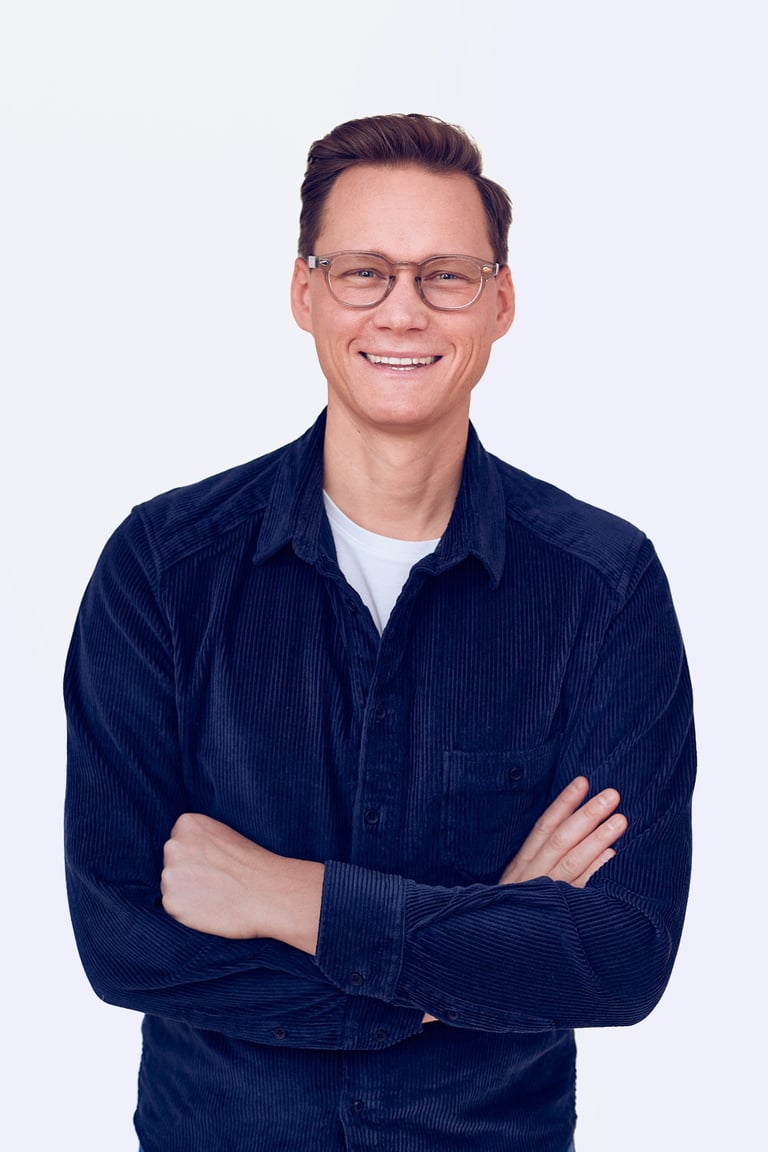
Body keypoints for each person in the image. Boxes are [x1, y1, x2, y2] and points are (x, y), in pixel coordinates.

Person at [64, 113, 695, 1152]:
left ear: (501, 303)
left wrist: (287, 897)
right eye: (364, 271)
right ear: (305, 293)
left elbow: (621, 954)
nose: (403, 309)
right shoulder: (162, 570)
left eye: (446, 274)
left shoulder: (603, 589)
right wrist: (484, 948)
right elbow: (125, 939)